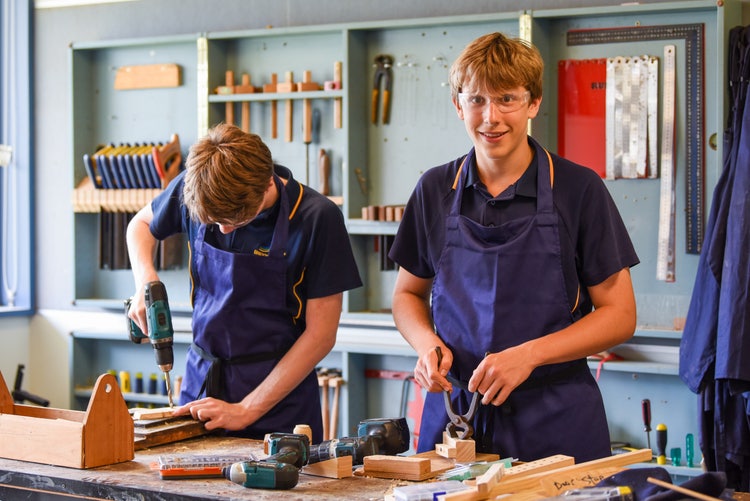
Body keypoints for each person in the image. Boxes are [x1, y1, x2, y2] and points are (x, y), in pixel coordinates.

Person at [388, 32, 639, 462]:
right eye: (477, 100)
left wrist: (530, 355)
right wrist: (425, 343)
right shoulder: (434, 189)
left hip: (555, 419)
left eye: (507, 99)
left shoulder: (578, 189)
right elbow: (407, 294)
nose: (491, 117)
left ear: (533, 103)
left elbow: (620, 316)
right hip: (456, 420)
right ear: (457, 105)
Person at [126, 123, 361, 442]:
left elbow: (321, 335)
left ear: (267, 185)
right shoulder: (198, 185)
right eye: (213, 222)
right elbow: (140, 225)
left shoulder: (317, 217)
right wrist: (144, 279)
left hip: (279, 401)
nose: (223, 231)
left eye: (234, 221)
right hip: (202, 384)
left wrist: (247, 409)